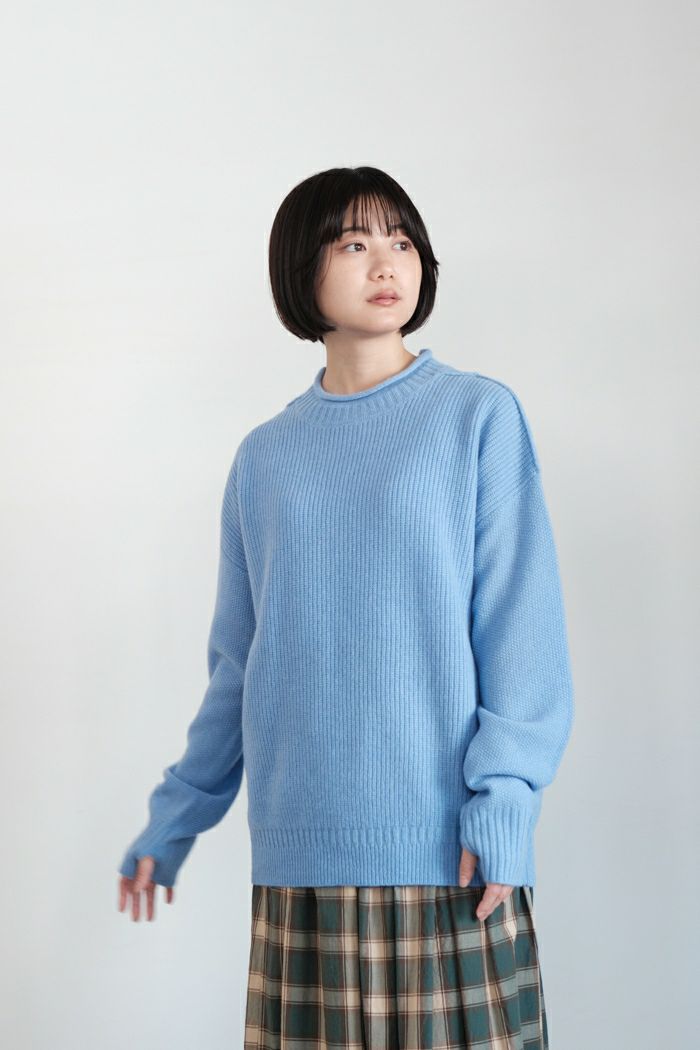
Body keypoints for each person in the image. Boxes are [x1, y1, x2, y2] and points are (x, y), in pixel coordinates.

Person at [117, 165, 574, 1049]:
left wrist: (505, 798)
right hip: (301, 865)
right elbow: (241, 665)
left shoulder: (476, 417)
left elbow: (521, 623)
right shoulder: (265, 457)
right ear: (302, 269)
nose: (386, 263)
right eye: (354, 242)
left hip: (452, 856)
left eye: (402, 241)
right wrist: (173, 820)